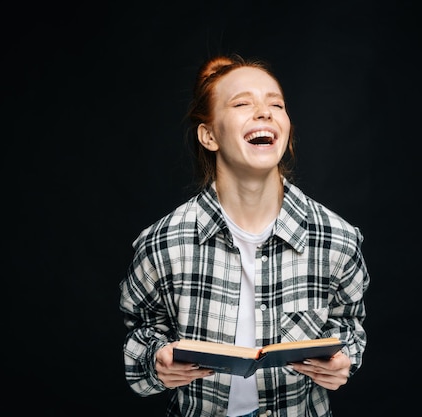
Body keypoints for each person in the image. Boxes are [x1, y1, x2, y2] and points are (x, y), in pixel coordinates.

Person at [119, 53, 370, 417]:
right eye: (242, 103)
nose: (264, 112)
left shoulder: (337, 238)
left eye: (276, 104)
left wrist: (345, 359)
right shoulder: (163, 243)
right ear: (208, 135)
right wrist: (156, 363)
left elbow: (349, 326)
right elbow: (139, 336)